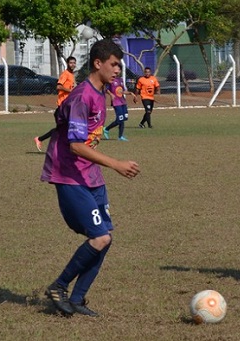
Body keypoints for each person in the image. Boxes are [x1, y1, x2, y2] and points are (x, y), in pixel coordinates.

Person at [41, 39, 140, 317]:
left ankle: (77, 299)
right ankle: (58, 287)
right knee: (99, 238)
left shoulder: (103, 90)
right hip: (69, 174)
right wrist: (116, 163)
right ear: (98, 64)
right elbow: (75, 145)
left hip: (90, 174)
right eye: (114, 64)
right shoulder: (83, 95)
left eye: (119, 65)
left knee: (105, 237)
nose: (118, 69)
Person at [34, 56, 77, 151]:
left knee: (65, 129)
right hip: (62, 107)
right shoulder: (65, 74)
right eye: (71, 63)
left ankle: (41, 140)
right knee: (62, 130)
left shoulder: (71, 74)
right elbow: (58, 87)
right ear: (67, 63)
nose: (73, 64)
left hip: (67, 107)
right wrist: (70, 91)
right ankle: (42, 140)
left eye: (74, 63)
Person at [103, 76, 136, 141]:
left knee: (124, 118)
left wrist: (131, 93)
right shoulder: (110, 79)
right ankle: (106, 129)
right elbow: (105, 88)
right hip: (116, 102)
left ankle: (120, 136)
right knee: (120, 119)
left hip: (122, 101)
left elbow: (122, 91)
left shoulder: (120, 79)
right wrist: (111, 94)